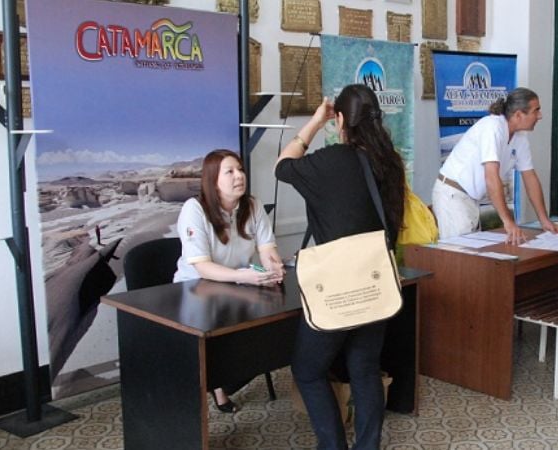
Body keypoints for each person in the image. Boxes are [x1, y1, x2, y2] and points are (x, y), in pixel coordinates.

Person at [275, 84, 406, 450]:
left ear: (341, 119)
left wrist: (315, 123)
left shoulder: (331, 161)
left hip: (335, 287)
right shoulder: (390, 163)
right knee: (364, 368)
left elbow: (282, 166)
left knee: (307, 369)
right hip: (376, 281)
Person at [173, 149, 285, 412]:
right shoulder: (194, 209)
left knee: (269, 329)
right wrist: (244, 276)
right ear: (213, 180)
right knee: (222, 338)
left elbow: (267, 247)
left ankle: (224, 379)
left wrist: (274, 266)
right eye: (230, 171)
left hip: (235, 285)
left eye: (241, 170)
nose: (239, 176)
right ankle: (218, 386)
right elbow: (202, 267)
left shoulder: (253, 205)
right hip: (196, 290)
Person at [432, 87, 558, 244]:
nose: (540, 116)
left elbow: (530, 178)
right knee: (461, 255)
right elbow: (491, 177)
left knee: (474, 255)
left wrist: (544, 220)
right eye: (536, 110)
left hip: (470, 199)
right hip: (453, 195)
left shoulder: (520, 137)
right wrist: (508, 222)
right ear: (519, 114)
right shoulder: (492, 127)